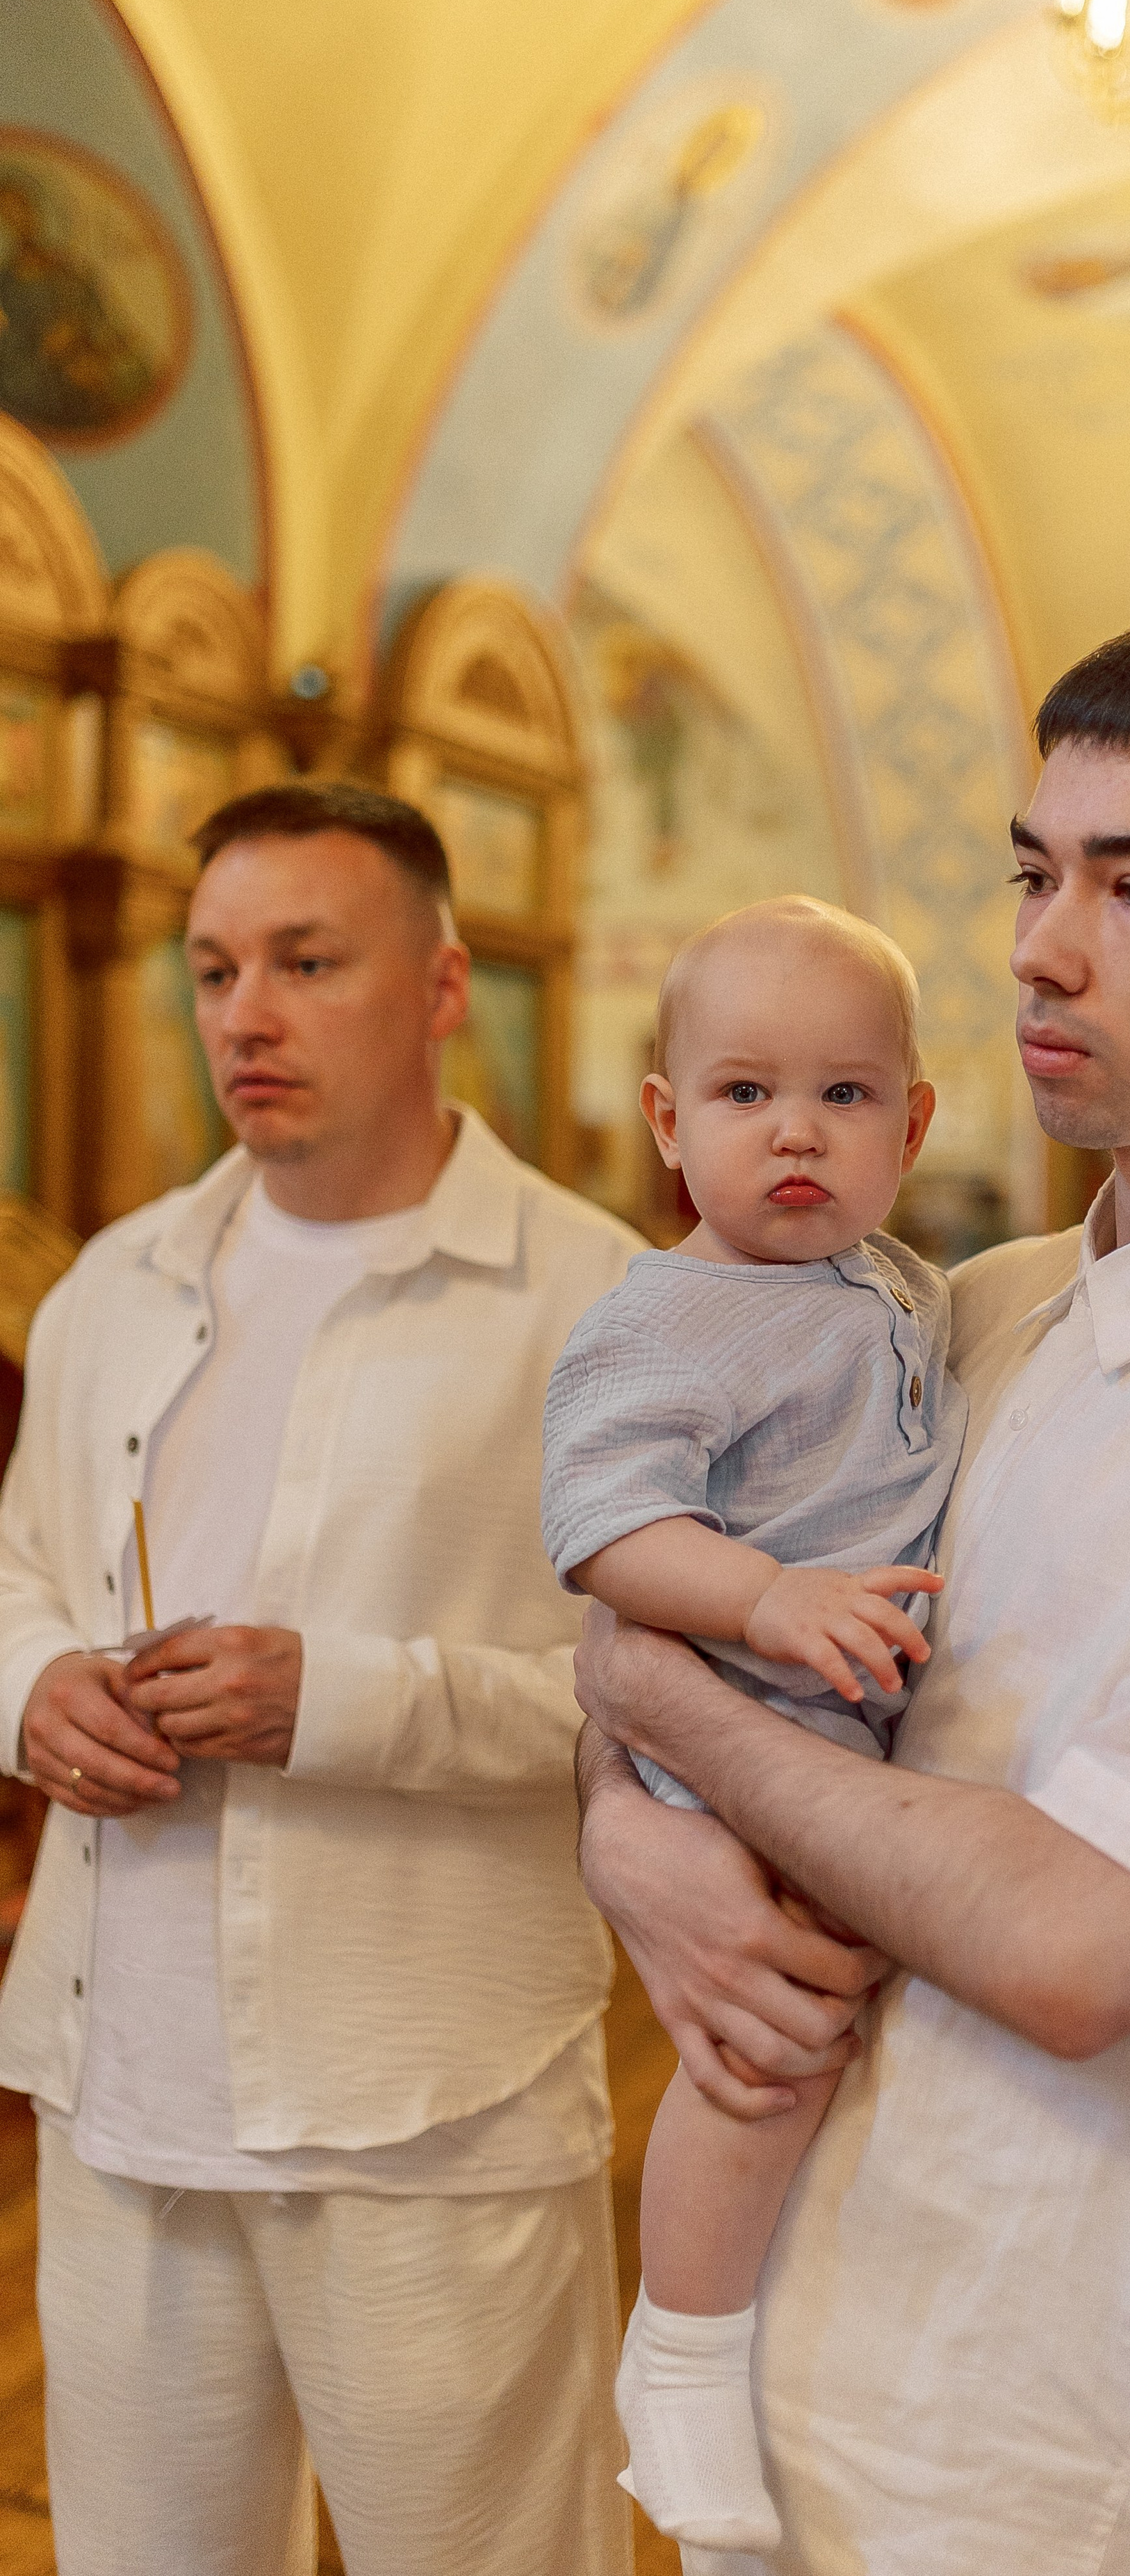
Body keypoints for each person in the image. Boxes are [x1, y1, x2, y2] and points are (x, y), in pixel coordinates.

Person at [575, 602, 1130, 2574]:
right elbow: (647, 1593)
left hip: (1046, 2402)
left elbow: (1078, 1949)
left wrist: (666, 1714)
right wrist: (631, 1848)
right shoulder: (958, 1306)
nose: (1043, 948)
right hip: (778, 2319)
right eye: (1035, 870)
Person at [0, 783, 643, 2576]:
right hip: (121, 2078)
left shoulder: (598, 1308)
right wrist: (32, 1685)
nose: (245, 1017)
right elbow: (16, 1571)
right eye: (212, 970)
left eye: (305, 962)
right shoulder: (109, 1285)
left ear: (442, 989)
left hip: (430, 2092)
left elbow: (652, 1701)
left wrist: (337, 1703)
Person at [543, 895, 966, 2551]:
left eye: (846, 1097)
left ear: (912, 1123)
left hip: (849, 1743)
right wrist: (759, 1600)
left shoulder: (917, 1291)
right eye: (742, 1095)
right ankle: (684, 2355)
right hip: (737, 1724)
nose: (796, 1130)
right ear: (667, 1121)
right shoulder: (656, 1318)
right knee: (752, 2063)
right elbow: (601, 1532)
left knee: (820, 2047)